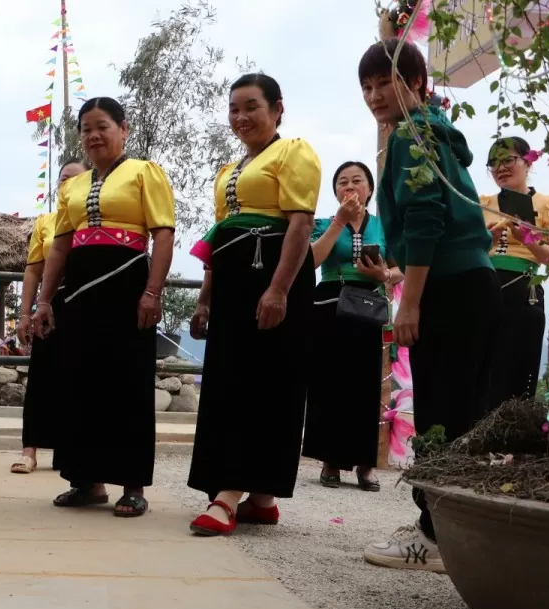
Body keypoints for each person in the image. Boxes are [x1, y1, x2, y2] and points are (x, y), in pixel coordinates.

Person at [358, 40, 500, 572]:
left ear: (417, 82)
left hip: (450, 288)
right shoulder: (435, 129)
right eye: (366, 87)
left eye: (384, 82)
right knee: (464, 412)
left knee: (442, 414)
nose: (374, 95)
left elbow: (425, 222)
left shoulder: (410, 137)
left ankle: (434, 536)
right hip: (474, 284)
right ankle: (455, 534)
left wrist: (409, 302)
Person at [186, 74, 321, 536]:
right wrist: (205, 298)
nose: (240, 118)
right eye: (233, 109)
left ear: (277, 108)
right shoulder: (230, 170)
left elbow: (300, 224)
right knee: (230, 379)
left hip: (274, 276)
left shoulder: (294, 152)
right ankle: (261, 497)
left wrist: (280, 289)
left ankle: (227, 494)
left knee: (265, 381)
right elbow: (219, 237)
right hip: (233, 281)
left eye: (251, 107)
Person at [32, 97, 175, 518]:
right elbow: (59, 245)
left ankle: (132, 486)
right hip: (79, 291)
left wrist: (152, 291)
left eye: (102, 126)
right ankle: (86, 481)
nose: (93, 135)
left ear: (123, 129)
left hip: (127, 285)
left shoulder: (144, 173)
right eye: (86, 128)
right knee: (79, 382)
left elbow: (163, 234)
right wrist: (44, 299)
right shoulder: (72, 187)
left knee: (127, 382)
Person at [303, 161, 402, 491]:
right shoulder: (322, 223)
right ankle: (330, 460)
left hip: (367, 306)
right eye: (342, 182)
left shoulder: (382, 226)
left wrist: (384, 275)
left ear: (369, 189)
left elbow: (401, 265)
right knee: (329, 381)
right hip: (330, 301)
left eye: (357, 181)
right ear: (335, 191)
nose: (350, 186)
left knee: (364, 384)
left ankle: (365, 464)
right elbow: (312, 260)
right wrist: (339, 221)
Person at [12, 158, 88, 474]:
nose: (66, 183)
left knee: (78, 378)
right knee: (41, 375)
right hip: (49, 303)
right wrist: (25, 313)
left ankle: (71, 453)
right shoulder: (45, 222)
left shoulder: (92, 221)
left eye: (74, 178)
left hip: (84, 302)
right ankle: (29, 451)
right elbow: (33, 270)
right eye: (62, 179)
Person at [480, 136, 549, 405]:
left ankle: (513, 434)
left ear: (528, 162)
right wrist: (485, 242)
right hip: (484, 284)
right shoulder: (482, 204)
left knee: (518, 361)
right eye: (494, 163)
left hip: (524, 286)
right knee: (483, 365)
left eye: (508, 160)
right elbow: (466, 249)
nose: (500, 168)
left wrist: (526, 237)